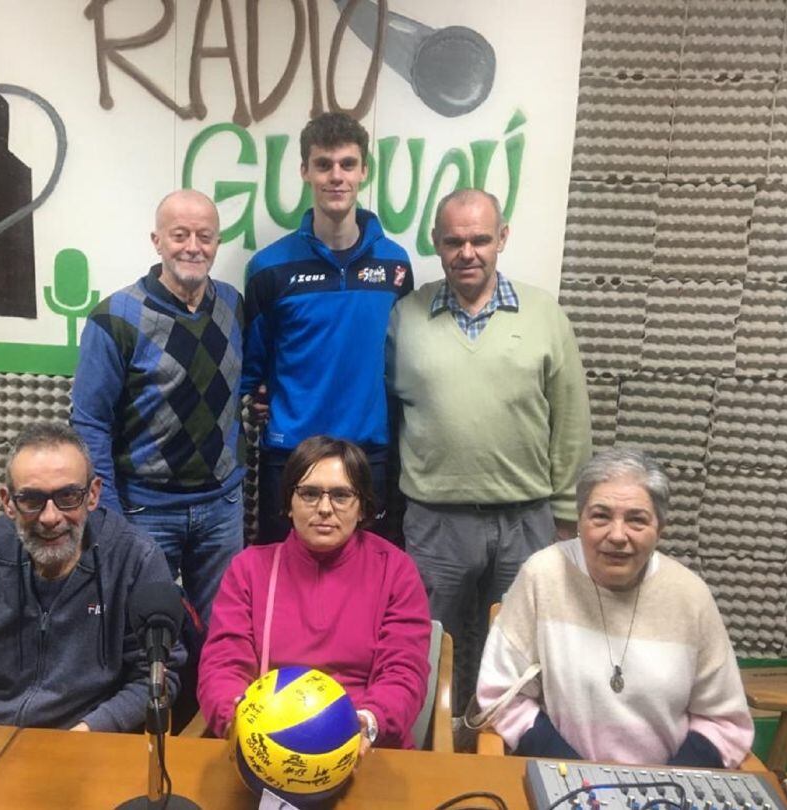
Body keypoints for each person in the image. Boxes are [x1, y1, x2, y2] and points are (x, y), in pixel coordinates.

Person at [386, 187, 592, 712]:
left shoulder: (545, 315)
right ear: (436, 242)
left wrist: (568, 515)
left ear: (503, 238)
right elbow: (388, 412)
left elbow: (570, 421)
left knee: (522, 650)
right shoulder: (405, 316)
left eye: (480, 239)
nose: (467, 252)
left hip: (527, 518)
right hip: (435, 522)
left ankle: (504, 748)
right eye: (454, 241)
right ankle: (435, 753)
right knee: (430, 647)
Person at [0, 422, 183, 731]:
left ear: (93, 495)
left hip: (87, 742)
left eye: (68, 496)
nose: (50, 517)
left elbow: (156, 675)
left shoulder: (135, 561)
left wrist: (88, 732)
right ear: (8, 502)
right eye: (31, 500)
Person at [475, 448, 754, 767]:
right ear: (580, 521)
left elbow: (724, 721)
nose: (618, 535)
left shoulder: (691, 596)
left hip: (669, 789)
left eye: (636, 520)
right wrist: (577, 777)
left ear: (660, 530)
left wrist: (665, 788)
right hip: (562, 776)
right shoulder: (542, 576)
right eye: (601, 516)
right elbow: (502, 694)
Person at [72, 189, 245, 622]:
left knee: (221, 632)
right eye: (179, 234)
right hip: (144, 511)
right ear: (157, 241)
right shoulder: (114, 318)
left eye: (204, 236)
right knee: (146, 633)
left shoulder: (233, 306)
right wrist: (108, 514)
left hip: (222, 508)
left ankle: (210, 695)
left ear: (217, 243)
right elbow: (90, 423)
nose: (193, 247)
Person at [242, 112, 413, 544]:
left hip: (367, 455)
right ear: (305, 171)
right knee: (284, 584)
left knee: (364, 589)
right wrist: (259, 402)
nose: (336, 176)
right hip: (290, 455)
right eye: (323, 164)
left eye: (347, 164)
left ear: (364, 171)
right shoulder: (269, 268)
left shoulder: (394, 265)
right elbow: (252, 370)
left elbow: (404, 364)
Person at [197, 436, 431, 752]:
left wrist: (368, 722)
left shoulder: (395, 570)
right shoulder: (250, 568)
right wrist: (236, 714)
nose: (324, 508)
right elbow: (222, 665)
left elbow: (404, 671)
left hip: (365, 745)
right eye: (308, 494)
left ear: (362, 507)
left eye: (341, 495)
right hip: (266, 745)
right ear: (288, 504)